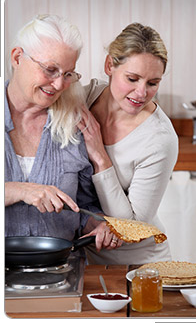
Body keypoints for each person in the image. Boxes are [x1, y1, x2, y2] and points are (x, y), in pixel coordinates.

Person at [5, 14, 122, 255]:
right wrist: (19, 190)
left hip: (61, 272)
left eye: (68, 74)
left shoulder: (75, 124)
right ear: (17, 57)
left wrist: (97, 225)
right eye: (50, 69)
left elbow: (83, 207)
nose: (59, 85)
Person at [77, 22, 179, 264]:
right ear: (109, 65)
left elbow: (131, 226)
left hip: (139, 264)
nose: (141, 93)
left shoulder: (160, 139)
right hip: (82, 258)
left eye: (153, 83)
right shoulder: (84, 98)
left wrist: (100, 157)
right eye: (132, 78)